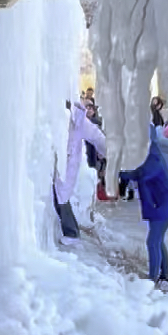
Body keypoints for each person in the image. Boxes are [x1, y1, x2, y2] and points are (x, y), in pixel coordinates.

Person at [118, 137, 168, 283]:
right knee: (158, 240)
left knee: (152, 241)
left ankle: (152, 279)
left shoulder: (153, 158)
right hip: (156, 205)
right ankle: (165, 274)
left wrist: (118, 172)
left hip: (162, 206)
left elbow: (141, 174)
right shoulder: (146, 155)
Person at [54, 98, 105, 240]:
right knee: (58, 198)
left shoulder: (79, 121)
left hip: (68, 163)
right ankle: (68, 231)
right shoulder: (56, 117)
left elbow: (97, 136)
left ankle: (72, 233)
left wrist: (107, 152)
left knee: (61, 198)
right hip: (56, 164)